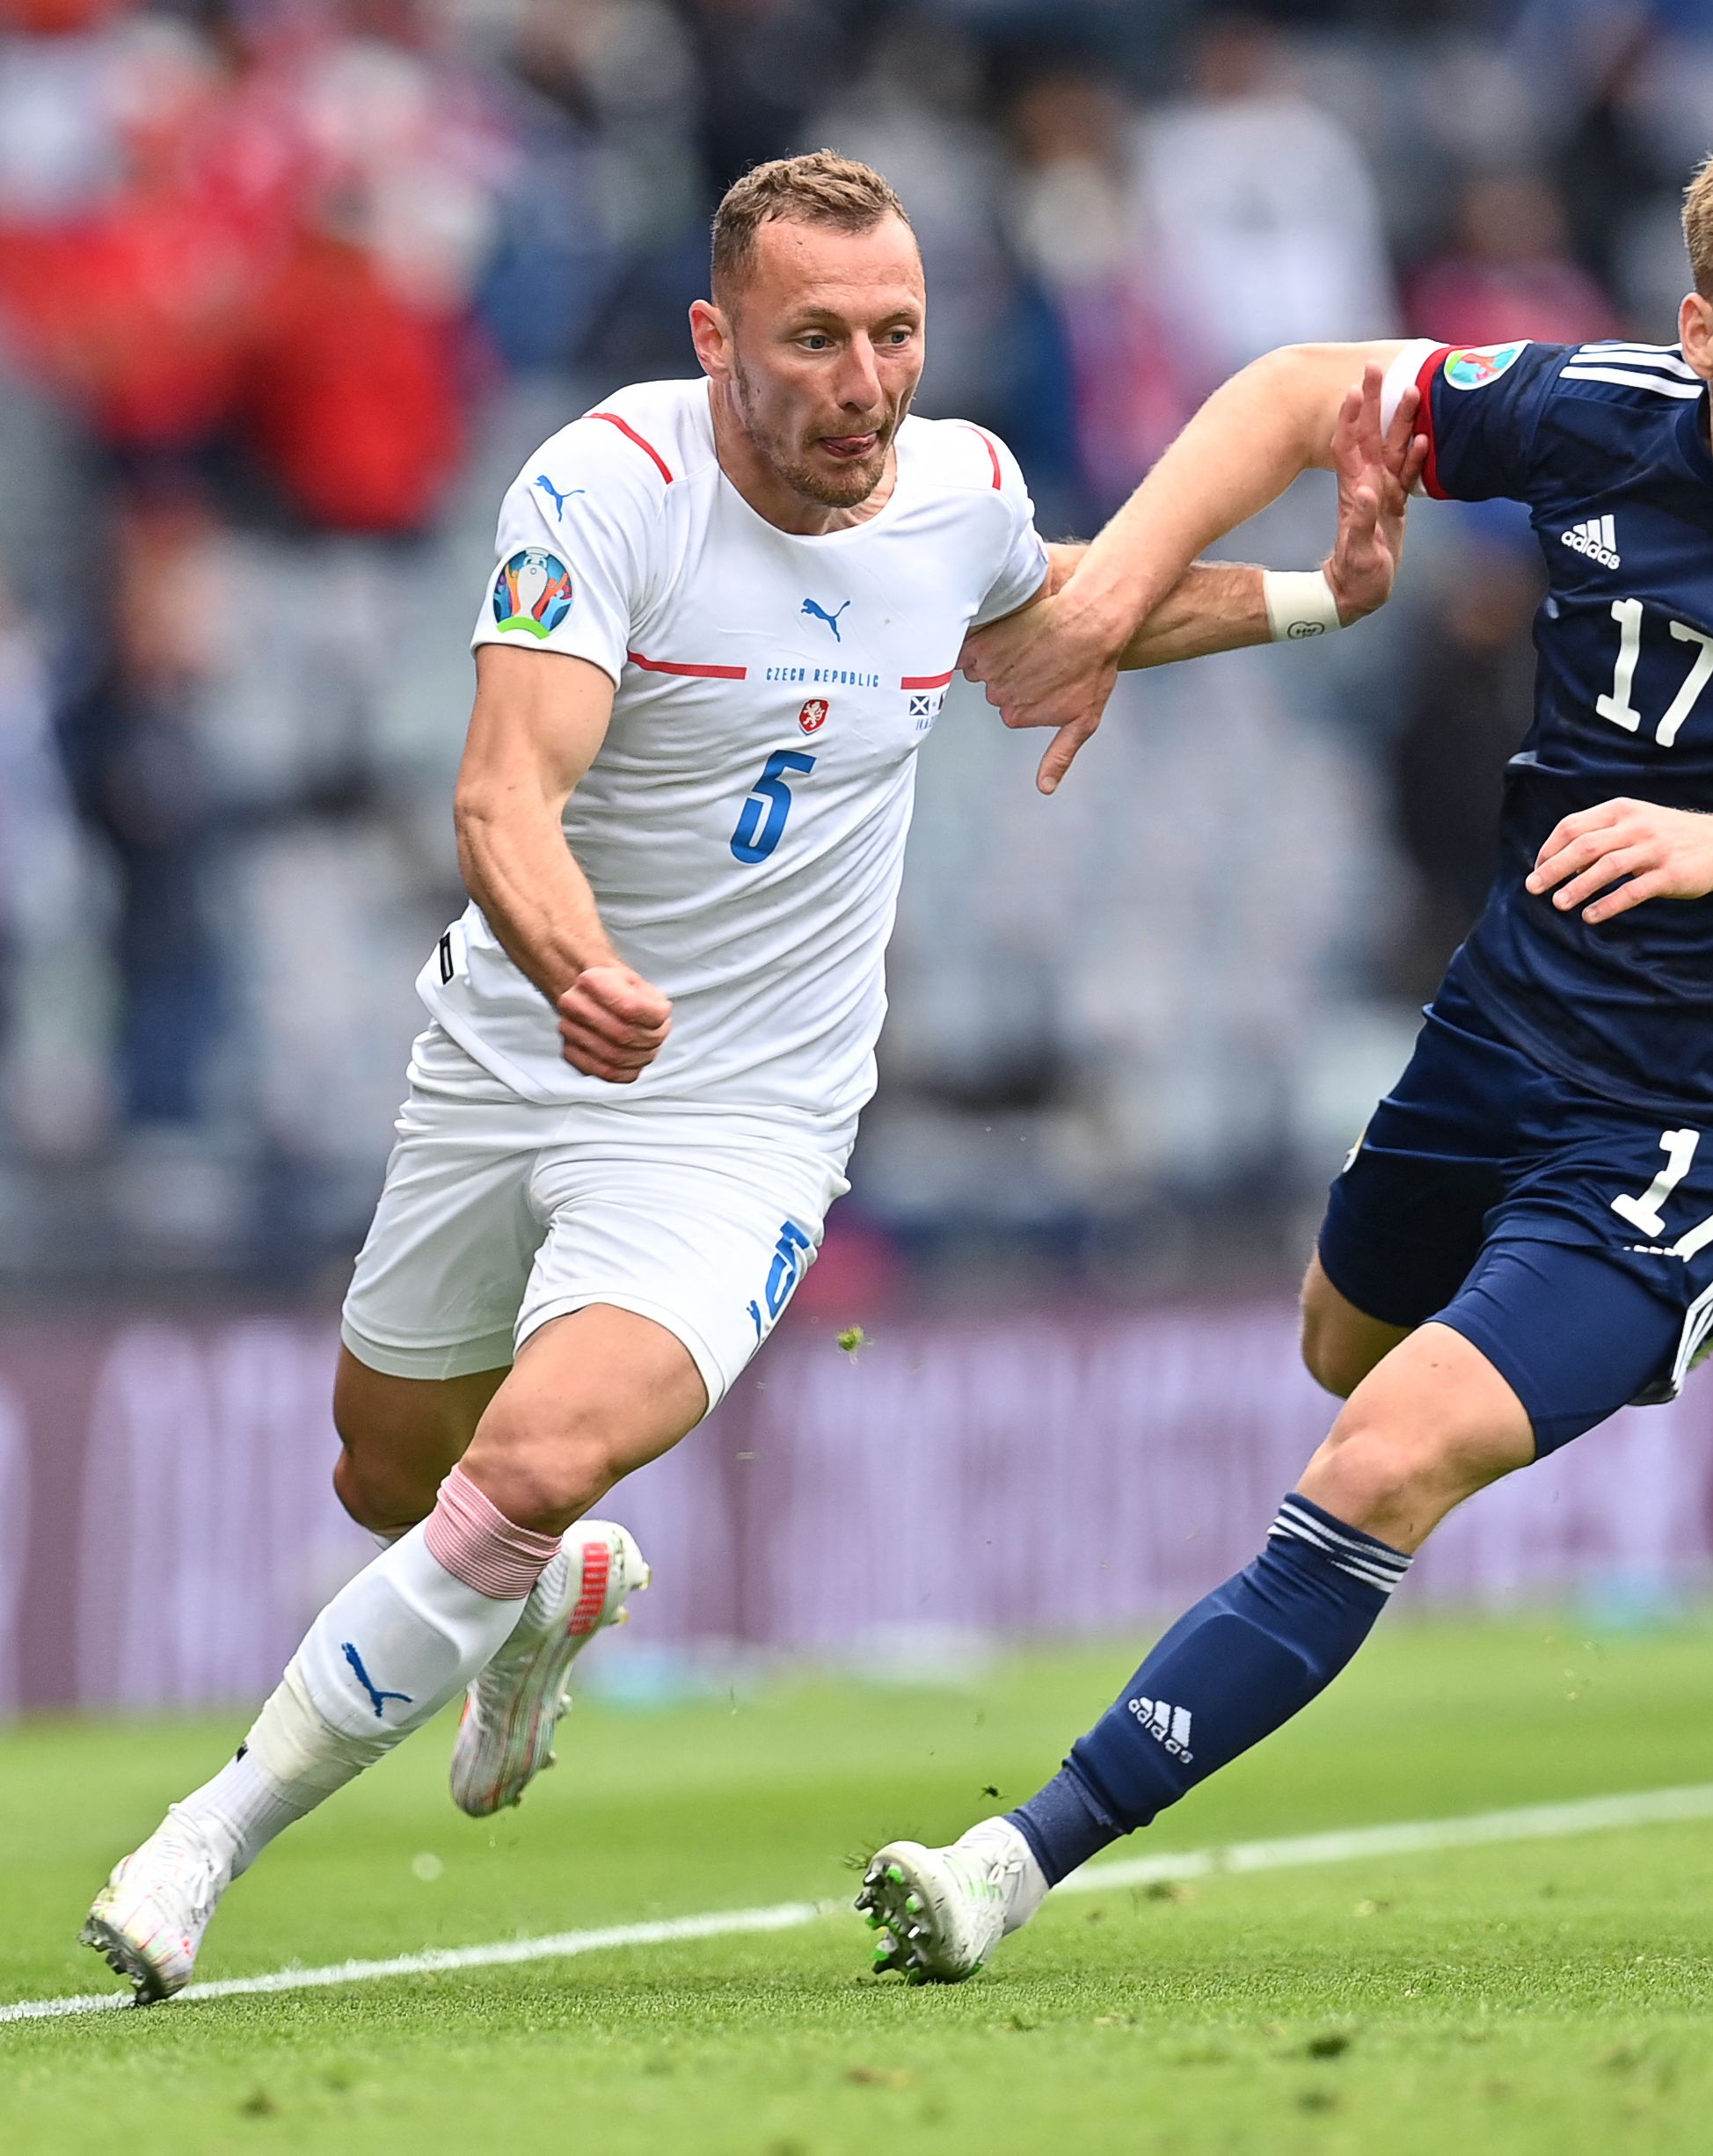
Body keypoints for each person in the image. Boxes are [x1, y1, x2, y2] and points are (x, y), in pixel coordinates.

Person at [77, 149, 1421, 2004]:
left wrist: (1319, 599)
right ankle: (540, 1596)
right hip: (519, 1043)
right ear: (719, 338)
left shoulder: (957, 490)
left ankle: (203, 1836)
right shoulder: (607, 487)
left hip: (743, 1118)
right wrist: (578, 964)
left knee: (532, 1453)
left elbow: (1064, 618)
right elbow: (500, 793)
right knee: (394, 1469)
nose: (865, 382)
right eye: (815, 339)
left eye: (895, 334)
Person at [859, 132, 1713, 1984]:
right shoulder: (1595, 417)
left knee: (1374, 1454)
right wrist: (1106, 604)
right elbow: (1288, 394)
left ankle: (1016, 1852)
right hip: (1504, 1023)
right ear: (1699, 330)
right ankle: (1702, 1307)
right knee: (1341, 1335)